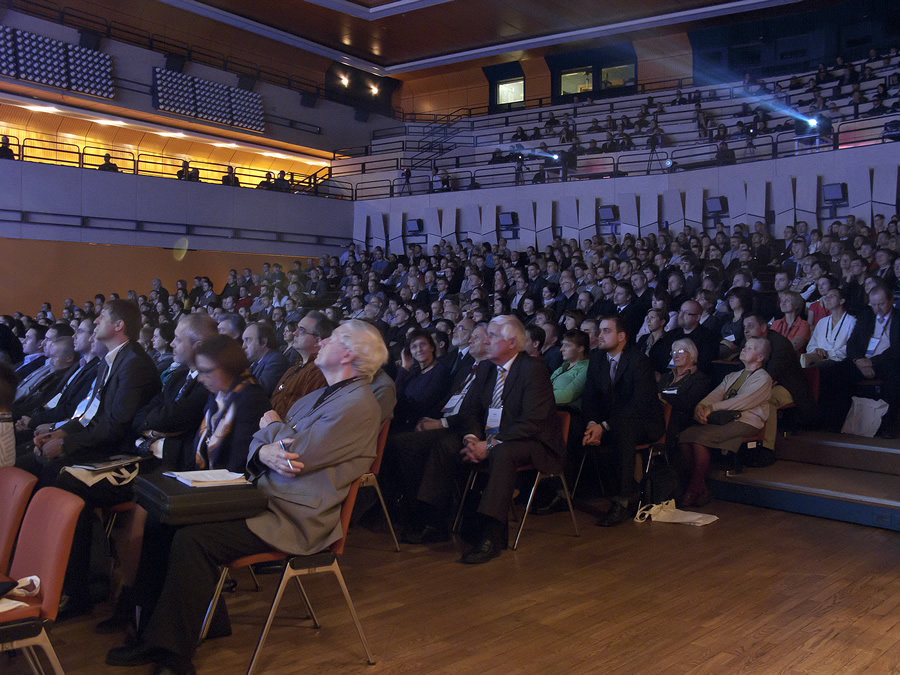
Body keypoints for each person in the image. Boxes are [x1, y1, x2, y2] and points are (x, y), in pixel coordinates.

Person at [106, 320, 388, 674]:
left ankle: (173, 656)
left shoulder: (360, 404)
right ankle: (150, 633)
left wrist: (271, 435)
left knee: (195, 540)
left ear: (348, 353)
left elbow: (294, 453)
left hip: (294, 517)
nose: (324, 340)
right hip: (264, 497)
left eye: (332, 338)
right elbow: (263, 443)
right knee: (164, 520)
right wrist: (267, 447)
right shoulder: (318, 396)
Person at [582, 316, 665, 526]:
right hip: (609, 420)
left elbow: (638, 404)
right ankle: (562, 491)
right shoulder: (597, 359)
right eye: (599, 331)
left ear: (622, 336)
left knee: (624, 431)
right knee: (573, 427)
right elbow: (589, 396)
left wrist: (604, 426)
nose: (599, 336)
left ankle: (623, 500)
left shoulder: (639, 361)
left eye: (606, 331)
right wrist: (592, 423)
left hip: (643, 422)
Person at [678, 337, 773, 506]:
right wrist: (701, 407)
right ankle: (702, 488)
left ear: (760, 357)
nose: (744, 349)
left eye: (750, 348)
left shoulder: (763, 378)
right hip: (725, 419)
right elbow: (716, 394)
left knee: (700, 439)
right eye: (745, 346)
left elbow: (743, 401)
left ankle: (693, 489)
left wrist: (712, 408)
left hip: (747, 421)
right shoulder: (733, 375)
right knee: (685, 436)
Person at [269, 311, 331, 418]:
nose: (294, 333)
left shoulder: (318, 372)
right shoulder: (294, 368)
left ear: (318, 341)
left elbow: (302, 416)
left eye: (301, 330)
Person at [658, 338, 713, 456]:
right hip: (657, 415)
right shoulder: (666, 377)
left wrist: (662, 397)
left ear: (692, 356)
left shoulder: (700, 379)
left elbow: (688, 403)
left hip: (681, 420)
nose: (676, 355)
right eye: (673, 352)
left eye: (681, 352)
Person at [393, 329, 452, 432]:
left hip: (422, 425)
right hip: (404, 419)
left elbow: (425, 402)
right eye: (414, 347)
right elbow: (394, 393)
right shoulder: (413, 371)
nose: (419, 350)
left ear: (432, 347)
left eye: (423, 345)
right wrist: (404, 367)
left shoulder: (440, 370)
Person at [803, 286, 856, 368]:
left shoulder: (852, 321)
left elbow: (850, 348)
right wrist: (816, 351)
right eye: (826, 297)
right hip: (816, 359)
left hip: (839, 363)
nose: (827, 299)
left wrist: (828, 354)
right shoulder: (822, 322)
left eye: (831, 296)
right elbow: (811, 344)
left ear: (842, 301)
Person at [242, 322, 290, 397]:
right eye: (243, 341)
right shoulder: (254, 364)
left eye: (248, 340)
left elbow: (260, 391)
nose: (243, 346)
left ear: (263, 342)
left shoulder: (276, 360)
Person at [550, 329, 589, 409]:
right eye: (562, 345)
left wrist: (539, 398)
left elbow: (568, 395)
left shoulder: (586, 368)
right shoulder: (563, 366)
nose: (561, 349)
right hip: (549, 407)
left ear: (580, 348)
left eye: (567, 345)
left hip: (567, 412)